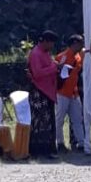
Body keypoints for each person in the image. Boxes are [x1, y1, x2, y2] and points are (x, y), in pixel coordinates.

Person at [27, 30, 59, 158]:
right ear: (45, 41)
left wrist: (55, 65)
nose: (52, 46)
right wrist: (54, 68)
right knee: (40, 121)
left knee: (49, 121)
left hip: (48, 91)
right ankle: (39, 150)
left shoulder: (46, 53)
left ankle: (49, 149)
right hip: (39, 91)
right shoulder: (36, 53)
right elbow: (37, 73)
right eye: (51, 43)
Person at [55, 34, 85, 153]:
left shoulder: (78, 56)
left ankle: (81, 143)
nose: (82, 45)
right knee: (59, 119)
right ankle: (60, 143)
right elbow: (57, 69)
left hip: (74, 93)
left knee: (78, 119)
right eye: (80, 43)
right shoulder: (62, 56)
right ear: (74, 44)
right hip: (62, 93)